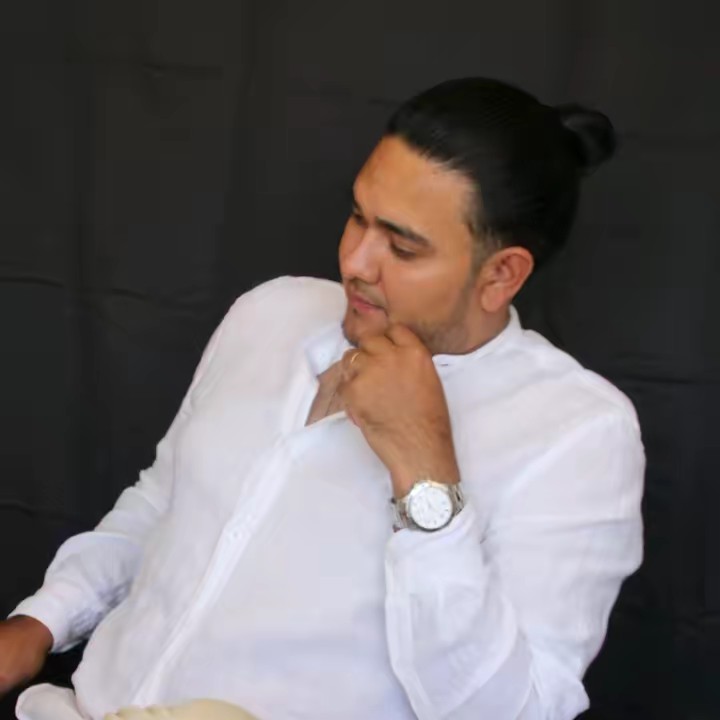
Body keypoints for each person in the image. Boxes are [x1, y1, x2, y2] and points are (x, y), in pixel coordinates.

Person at [0, 77, 644, 720]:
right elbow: (163, 504)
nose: (355, 261)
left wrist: (423, 471)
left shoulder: (577, 434)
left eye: (402, 246)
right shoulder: (271, 313)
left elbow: (517, 711)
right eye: (358, 216)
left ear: (501, 274)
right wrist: (41, 622)